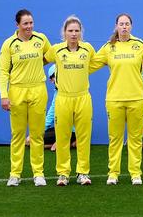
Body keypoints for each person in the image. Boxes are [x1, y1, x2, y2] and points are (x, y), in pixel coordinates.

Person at [91, 13, 143, 186]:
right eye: (121, 24)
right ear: (116, 26)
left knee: (135, 138)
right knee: (115, 139)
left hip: (137, 99)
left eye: (127, 24)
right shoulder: (109, 47)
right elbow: (91, 65)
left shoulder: (139, 45)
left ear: (131, 26)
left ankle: (135, 173)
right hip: (114, 100)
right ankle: (113, 173)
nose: (124, 27)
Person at [0, 9, 51, 187]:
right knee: (18, 135)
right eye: (25, 23)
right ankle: (15, 174)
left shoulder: (41, 39)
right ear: (18, 25)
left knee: (37, 135)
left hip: (38, 90)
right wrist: (4, 96)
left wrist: (36, 65)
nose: (29, 26)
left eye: (31, 23)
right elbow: (3, 72)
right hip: (17, 92)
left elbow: (49, 57)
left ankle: (38, 174)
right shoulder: (9, 44)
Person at [44, 16, 98, 186]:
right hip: (63, 98)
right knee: (62, 137)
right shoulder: (56, 50)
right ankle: (63, 174)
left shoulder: (88, 49)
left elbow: (96, 63)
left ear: (81, 32)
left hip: (83, 98)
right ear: (64, 33)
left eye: (77, 30)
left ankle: (83, 172)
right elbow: (41, 61)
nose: (74, 34)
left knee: (83, 137)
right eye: (70, 31)